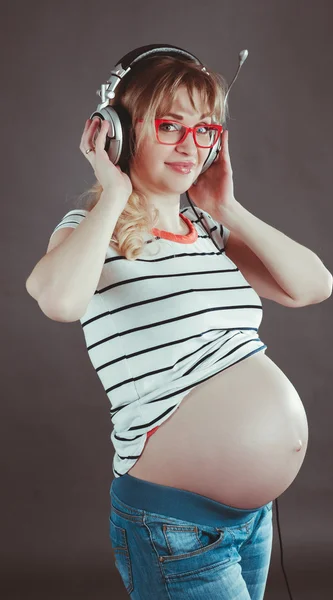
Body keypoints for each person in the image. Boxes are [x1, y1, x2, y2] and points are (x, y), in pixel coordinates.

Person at [26, 51, 317, 599]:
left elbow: (312, 285)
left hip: (249, 520)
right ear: (117, 134)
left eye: (204, 129)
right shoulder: (93, 233)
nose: (191, 145)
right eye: (169, 125)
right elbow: (60, 302)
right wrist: (113, 194)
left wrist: (228, 208)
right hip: (175, 528)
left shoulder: (209, 232)